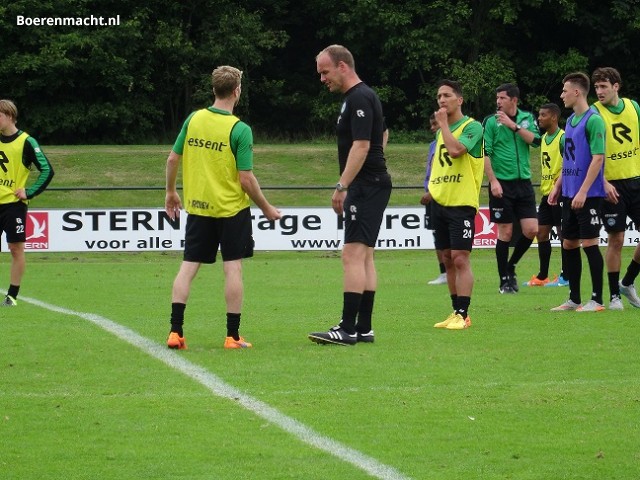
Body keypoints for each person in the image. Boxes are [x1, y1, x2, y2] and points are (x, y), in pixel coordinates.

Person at [165, 66, 281, 350]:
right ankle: (232, 336)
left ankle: (175, 331)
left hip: (199, 208)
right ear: (237, 91)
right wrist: (266, 208)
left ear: (214, 89)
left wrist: (170, 192)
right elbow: (246, 178)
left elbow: (172, 159)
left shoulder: (194, 119)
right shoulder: (240, 129)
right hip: (231, 211)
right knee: (233, 269)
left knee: (188, 267)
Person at [308, 45, 392, 346]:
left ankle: (346, 328)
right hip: (372, 183)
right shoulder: (360, 97)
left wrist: (342, 186)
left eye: (325, 72)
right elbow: (382, 134)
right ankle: (363, 328)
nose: (322, 79)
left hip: (366, 185)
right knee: (365, 255)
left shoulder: (358, 97)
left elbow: (362, 145)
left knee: (352, 254)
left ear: (342, 66)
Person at [427, 80, 484, 330]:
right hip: (440, 202)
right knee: (448, 259)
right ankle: (454, 311)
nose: (441, 100)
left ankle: (463, 314)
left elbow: (456, 151)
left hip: (462, 203)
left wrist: (443, 125)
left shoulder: (472, 127)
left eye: (447, 95)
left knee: (461, 259)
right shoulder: (442, 131)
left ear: (459, 100)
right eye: (439, 95)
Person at [549, 72, 606, 312]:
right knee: (569, 244)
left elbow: (598, 158)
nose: (562, 95)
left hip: (589, 195)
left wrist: (583, 191)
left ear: (576, 92)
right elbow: (569, 160)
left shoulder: (594, 120)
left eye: (564, 91)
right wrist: (558, 186)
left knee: (590, 243)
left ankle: (597, 300)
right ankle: (574, 299)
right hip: (569, 194)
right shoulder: (571, 120)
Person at [483, 83, 540, 294]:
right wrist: (493, 181)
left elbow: (536, 141)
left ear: (514, 100)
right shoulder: (490, 122)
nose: (498, 101)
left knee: (532, 230)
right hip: (502, 183)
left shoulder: (526, 118)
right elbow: (485, 153)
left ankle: (511, 265)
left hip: (523, 182)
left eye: (502, 98)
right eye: (497, 98)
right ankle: (504, 280)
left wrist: (513, 126)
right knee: (505, 231)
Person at [591, 67, 640, 309]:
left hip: (636, 181)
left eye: (603, 86)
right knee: (617, 239)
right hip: (610, 185)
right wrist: (602, 182)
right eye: (596, 87)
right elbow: (589, 154)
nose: (599, 91)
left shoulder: (634, 107)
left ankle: (627, 282)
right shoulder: (593, 113)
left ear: (616, 86)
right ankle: (614, 296)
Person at [0, 99, 54, 306]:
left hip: (13, 205)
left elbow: (47, 170)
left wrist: (29, 191)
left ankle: (12, 295)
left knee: (15, 249)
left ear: (10, 116)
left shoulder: (26, 141)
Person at [523, 103, 568, 287]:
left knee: (564, 234)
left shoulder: (563, 138)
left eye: (543, 115)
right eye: (539, 115)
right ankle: (543, 276)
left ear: (554, 117)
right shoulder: (544, 139)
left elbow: (570, 164)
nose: (539, 118)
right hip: (546, 194)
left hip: (561, 193)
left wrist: (559, 185)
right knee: (541, 233)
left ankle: (566, 276)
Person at [420, 113, 447, 285]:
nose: (432, 128)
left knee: (448, 236)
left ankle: (453, 270)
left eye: (434, 124)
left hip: (444, 195)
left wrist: (434, 191)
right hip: (431, 195)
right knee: (437, 235)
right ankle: (444, 273)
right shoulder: (432, 145)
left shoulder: (450, 143)